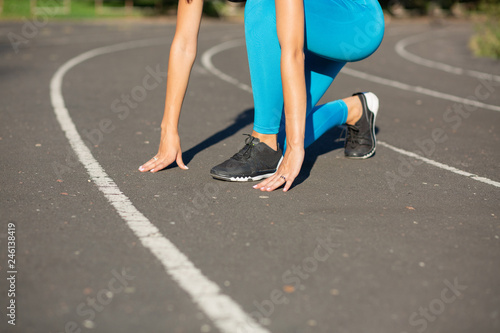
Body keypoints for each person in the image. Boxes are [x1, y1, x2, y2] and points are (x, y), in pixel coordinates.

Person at [139, 0, 385, 193]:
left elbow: (292, 51)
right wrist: (168, 131)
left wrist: (297, 149)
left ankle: (263, 142)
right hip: (310, 19)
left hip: (355, 19)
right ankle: (356, 109)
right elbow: (183, 43)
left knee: (261, 3)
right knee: (286, 138)